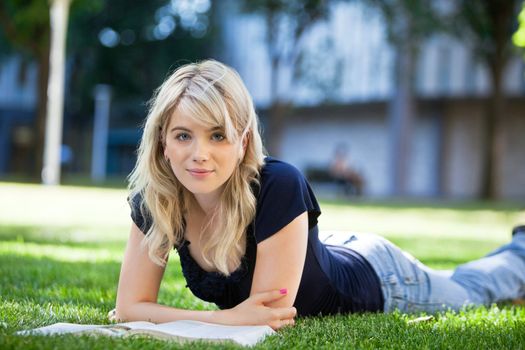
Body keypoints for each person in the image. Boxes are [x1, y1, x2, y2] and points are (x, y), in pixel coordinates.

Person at [114, 59, 525, 330]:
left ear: (242, 143)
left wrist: (195, 317)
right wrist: (232, 318)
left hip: (382, 278)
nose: (199, 155)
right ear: (162, 143)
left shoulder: (278, 184)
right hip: (319, 250)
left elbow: (266, 317)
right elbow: (130, 308)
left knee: (472, 289)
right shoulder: (156, 201)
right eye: (183, 135)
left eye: (217, 136)